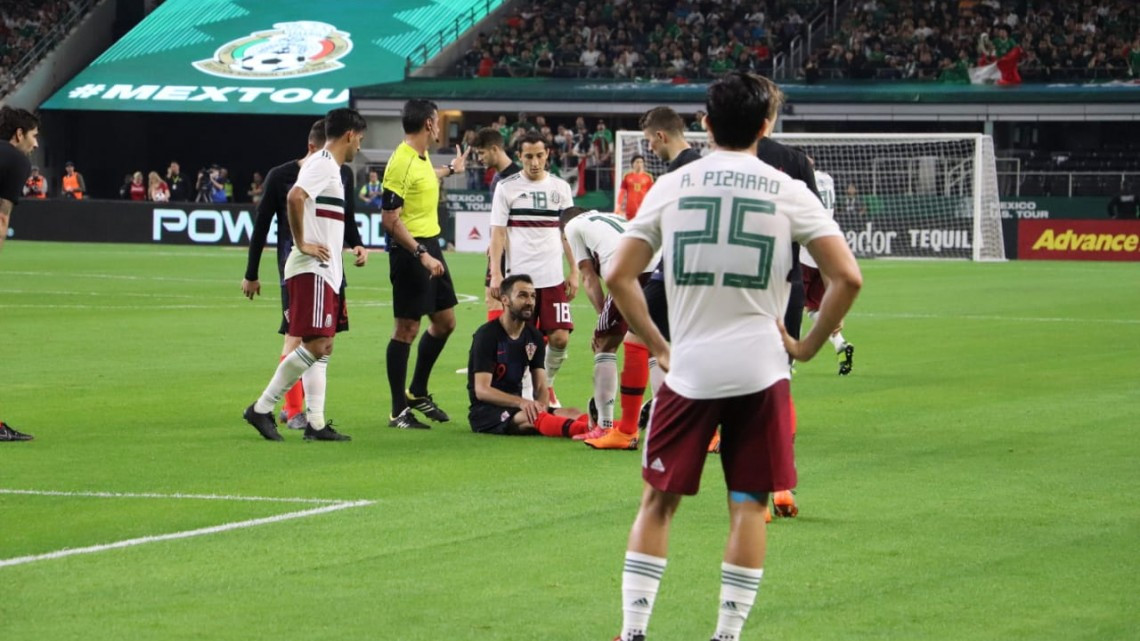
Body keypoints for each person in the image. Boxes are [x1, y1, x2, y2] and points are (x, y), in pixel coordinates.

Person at [605, 72, 862, 641]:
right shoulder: (787, 187)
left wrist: (659, 346)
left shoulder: (673, 184)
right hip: (761, 369)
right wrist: (806, 347)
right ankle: (726, 634)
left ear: (705, 124)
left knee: (657, 503)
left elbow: (619, 274)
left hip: (690, 369)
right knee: (747, 505)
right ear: (766, 126)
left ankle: (634, 632)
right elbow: (847, 277)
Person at [242, 107, 368, 443]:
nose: (359, 146)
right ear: (350, 135)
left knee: (324, 346)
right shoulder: (323, 163)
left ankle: (315, 423)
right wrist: (302, 243)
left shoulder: (331, 168)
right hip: (311, 269)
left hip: (328, 271)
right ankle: (262, 408)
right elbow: (294, 197)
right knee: (315, 344)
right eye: (360, 139)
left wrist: (352, 244)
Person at [380, 99, 468, 429]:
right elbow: (390, 219)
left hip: (429, 244)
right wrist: (421, 254)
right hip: (410, 251)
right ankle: (397, 411)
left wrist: (450, 170)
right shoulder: (400, 161)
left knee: (445, 322)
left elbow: (424, 176)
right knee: (406, 329)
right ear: (429, 124)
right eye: (437, 120)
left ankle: (417, 392)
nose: (440, 125)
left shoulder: (420, 156)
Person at [488, 130, 579, 409]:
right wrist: (496, 273)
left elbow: (568, 233)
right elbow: (498, 233)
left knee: (560, 338)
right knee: (522, 341)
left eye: (539, 155)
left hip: (552, 277)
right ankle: (526, 394)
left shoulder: (561, 188)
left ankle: (545, 387)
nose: (535, 162)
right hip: (520, 280)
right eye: (528, 156)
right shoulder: (507, 188)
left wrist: (574, 270)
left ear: (548, 154)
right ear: (519, 156)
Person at [560, 207, 657, 451]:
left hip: (628, 269)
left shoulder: (571, 227)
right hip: (659, 266)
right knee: (653, 345)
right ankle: (668, 421)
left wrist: (603, 319)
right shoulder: (611, 216)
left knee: (605, 344)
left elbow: (588, 277)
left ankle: (604, 426)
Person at [467, 274, 591, 437]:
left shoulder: (534, 336)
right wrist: (522, 402)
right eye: (522, 296)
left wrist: (542, 406)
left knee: (572, 412)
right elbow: (482, 390)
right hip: (486, 412)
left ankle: (607, 427)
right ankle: (586, 432)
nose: (530, 302)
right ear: (505, 300)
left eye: (533, 296)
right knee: (532, 418)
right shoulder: (486, 335)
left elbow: (540, 385)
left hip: (518, 406)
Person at [0, 106, 40, 441]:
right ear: (18, 134)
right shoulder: (15, 160)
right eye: (33, 136)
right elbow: (1, 217)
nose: (35, 144)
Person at [800, 163, 855, 375]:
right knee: (814, 308)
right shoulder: (827, 179)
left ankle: (788, 362)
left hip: (803, 252)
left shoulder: (800, 182)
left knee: (792, 306)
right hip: (825, 251)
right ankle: (841, 345)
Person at [472, 126, 521, 322]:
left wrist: (500, 244)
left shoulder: (517, 179)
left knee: (509, 303)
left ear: (494, 149)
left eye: (481, 153)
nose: (479, 158)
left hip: (515, 251)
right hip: (501, 248)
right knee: (494, 300)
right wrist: (493, 243)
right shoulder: (497, 178)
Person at [618, 155, 654, 220]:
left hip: (644, 207)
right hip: (630, 208)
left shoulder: (648, 177)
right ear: (632, 164)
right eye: (637, 162)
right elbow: (622, 192)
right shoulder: (627, 176)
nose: (639, 164)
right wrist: (618, 206)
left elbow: (652, 193)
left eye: (641, 162)